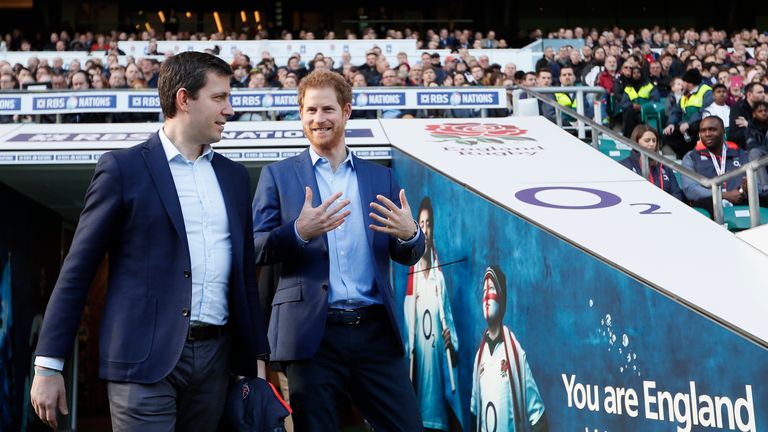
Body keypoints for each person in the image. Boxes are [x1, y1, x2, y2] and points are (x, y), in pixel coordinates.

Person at [30, 51, 269, 430]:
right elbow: (77, 270)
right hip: (141, 362)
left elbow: (242, 276)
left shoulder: (234, 177)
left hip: (216, 363)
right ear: (184, 99)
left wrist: (254, 360)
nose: (230, 109)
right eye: (219, 97)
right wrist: (48, 364)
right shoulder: (123, 168)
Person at [251, 70, 425, 431]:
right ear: (301, 114)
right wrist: (298, 232)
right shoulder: (277, 176)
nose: (319, 119)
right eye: (310, 110)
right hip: (311, 335)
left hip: (375, 331)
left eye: (328, 109)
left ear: (346, 111)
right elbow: (254, 247)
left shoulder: (380, 177)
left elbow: (405, 252)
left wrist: (410, 235)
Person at [404, 197, 462, 431]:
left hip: (439, 393)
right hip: (419, 388)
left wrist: (451, 343)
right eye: (421, 224)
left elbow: (452, 336)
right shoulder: (412, 282)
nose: (425, 229)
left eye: (429, 224)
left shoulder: (439, 280)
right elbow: (407, 341)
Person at [471, 266, 547, 432]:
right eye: (484, 291)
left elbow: (539, 418)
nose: (486, 296)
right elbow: (474, 414)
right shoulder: (479, 358)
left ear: (502, 297)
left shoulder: (515, 354)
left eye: (491, 288)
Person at [680, 116, 758, 215]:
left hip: (739, 200)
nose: (707, 134)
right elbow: (690, 190)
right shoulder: (691, 157)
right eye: (703, 131)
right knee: (707, 203)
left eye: (712, 130)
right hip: (708, 206)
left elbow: (757, 185)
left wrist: (748, 188)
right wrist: (724, 195)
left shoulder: (739, 153)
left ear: (723, 131)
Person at [620, 125, 684, 201]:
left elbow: (676, 193)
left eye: (654, 140)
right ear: (636, 142)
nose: (651, 144)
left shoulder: (664, 165)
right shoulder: (624, 166)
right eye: (647, 140)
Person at [663, 69, 713, 158]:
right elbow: (676, 112)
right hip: (684, 128)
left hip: (698, 126)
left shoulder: (707, 91)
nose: (682, 84)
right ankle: (685, 157)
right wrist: (671, 124)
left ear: (690, 83)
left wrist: (689, 123)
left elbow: (704, 111)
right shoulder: (685, 94)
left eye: (683, 82)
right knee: (668, 135)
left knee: (694, 128)